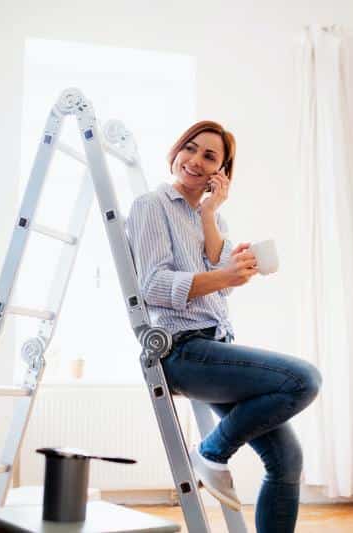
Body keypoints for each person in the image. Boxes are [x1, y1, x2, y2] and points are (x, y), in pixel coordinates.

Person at [125, 120, 322, 532]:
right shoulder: (151, 206)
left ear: (222, 173)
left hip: (214, 347)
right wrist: (226, 276)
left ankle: (213, 453)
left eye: (209, 156)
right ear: (176, 150)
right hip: (180, 351)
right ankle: (212, 452)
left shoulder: (212, 217)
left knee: (287, 461)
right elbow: (154, 286)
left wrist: (214, 220)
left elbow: (219, 286)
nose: (195, 160)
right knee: (304, 379)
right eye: (190, 148)